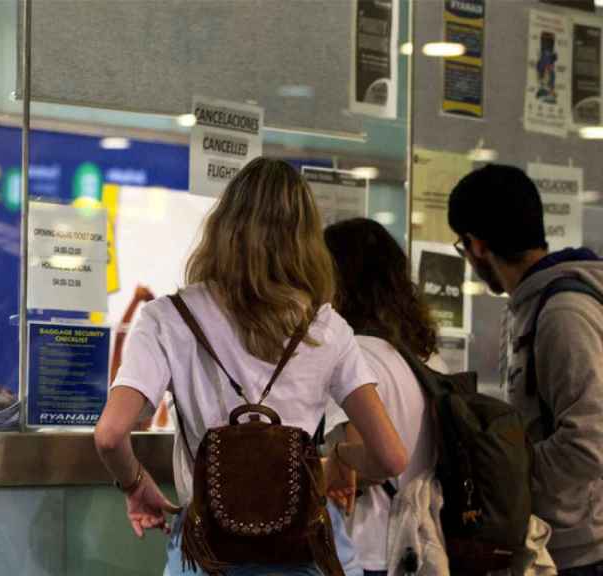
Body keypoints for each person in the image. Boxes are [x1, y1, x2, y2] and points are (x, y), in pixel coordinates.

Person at [93, 157, 408, 575]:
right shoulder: (327, 328)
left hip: (209, 553)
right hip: (304, 551)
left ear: (223, 227)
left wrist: (136, 485)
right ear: (306, 240)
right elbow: (390, 457)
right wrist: (343, 459)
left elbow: (111, 435)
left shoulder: (168, 318)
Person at [449, 164, 603, 575]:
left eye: (462, 248)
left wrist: (509, 476)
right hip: (558, 539)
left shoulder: (563, 313)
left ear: (477, 245)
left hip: (582, 548)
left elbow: (590, 439)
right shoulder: (529, 306)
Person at [324, 218, 447, 576]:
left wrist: (329, 459)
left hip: (366, 548)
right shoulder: (425, 357)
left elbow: (360, 466)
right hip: (418, 545)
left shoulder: (353, 357)